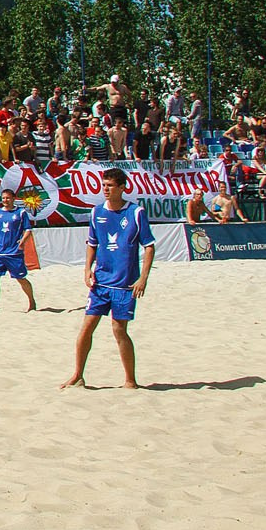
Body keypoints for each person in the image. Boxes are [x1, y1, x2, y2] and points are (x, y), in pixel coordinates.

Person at [63, 167, 154, 390]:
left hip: (125, 284)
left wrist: (143, 278)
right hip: (101, 282)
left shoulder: (135, 212)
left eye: (110, 185)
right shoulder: (96, 212)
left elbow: (149, 247)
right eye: (104, 185)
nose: (105, 189)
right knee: (86, 327)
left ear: (122, 187)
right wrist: (87, 269)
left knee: (118, 329)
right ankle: (78, 375)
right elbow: (92, 243)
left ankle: (130, 380)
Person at [0, 186, 36, 312]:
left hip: (14, 252)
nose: (5, 200)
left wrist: (22, 241)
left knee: (21, 278)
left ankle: (32, 301)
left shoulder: (20, 213)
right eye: (3, 198)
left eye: (8, 198)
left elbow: (28, 229)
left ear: (13, 198)